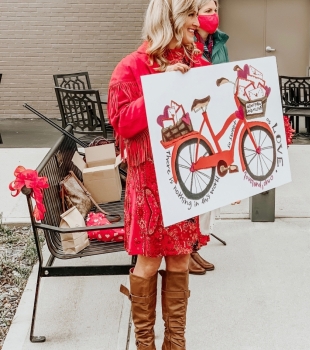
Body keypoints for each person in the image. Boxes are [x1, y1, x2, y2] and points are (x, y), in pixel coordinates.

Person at [107, 1, 210, 349]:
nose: (198, 23)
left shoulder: (198, 65)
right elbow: (121, 122)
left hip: (184, 184)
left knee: (181, 258)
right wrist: (160, 87)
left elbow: (214, 120)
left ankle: (175, 343)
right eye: (191, 15)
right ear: (169, 19)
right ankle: (146, 344)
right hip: (149, 187)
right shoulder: (131, 67)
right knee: (148, 264)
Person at [189, 0, 232, 275]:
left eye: (216, 10)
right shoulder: (184, 42)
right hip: (192, 114)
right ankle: (187, 249)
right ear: (194, 15)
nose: (213, 15)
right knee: (196, 185)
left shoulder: (220, 42)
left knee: (211, 186)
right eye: (208, 11)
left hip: (214, 110)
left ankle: (196, 246)